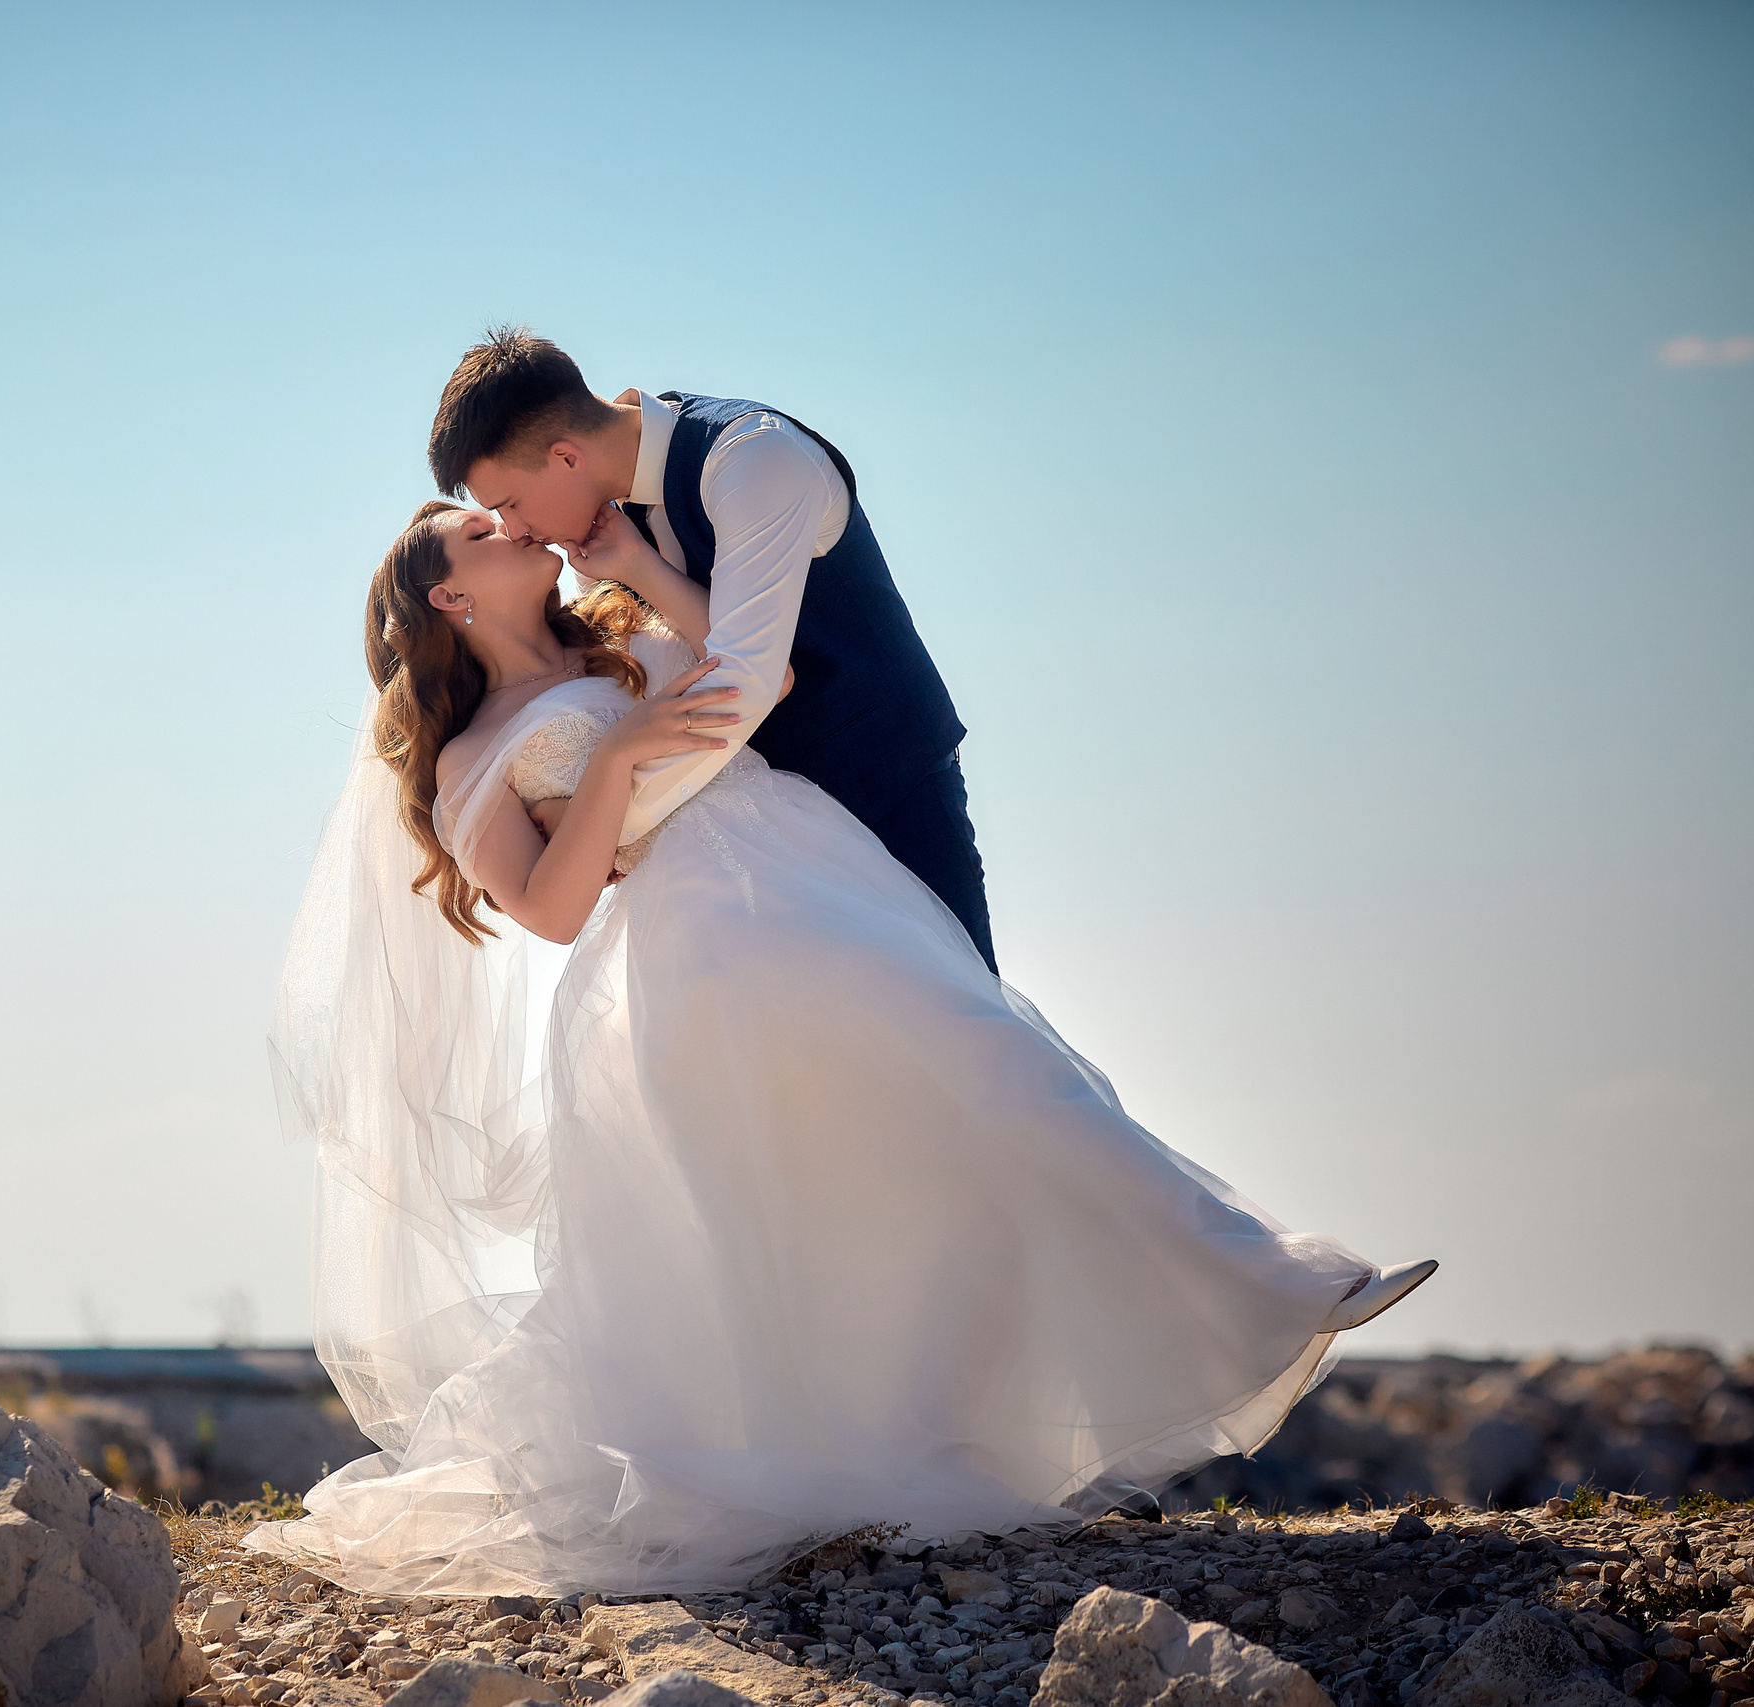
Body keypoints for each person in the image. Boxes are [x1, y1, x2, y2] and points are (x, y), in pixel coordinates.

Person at [248, 488, 1437, 1599]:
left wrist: (646, 570)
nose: (514, 527)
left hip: (820, 873)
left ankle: (1272, 1283)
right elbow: (553, 911)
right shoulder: (469, 755)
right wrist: (612, 761)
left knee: (998, 1079)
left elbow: (763, 675)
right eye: (481, 534)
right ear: (449, 599)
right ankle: (873, 1461)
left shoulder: (619, 621)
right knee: (792, 1210)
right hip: (692, 947)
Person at [426, 328, 998, 970]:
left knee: (958, 1019)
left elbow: (747, 681)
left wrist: (602, 829)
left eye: (509, 504)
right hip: (751, 872)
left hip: (886, 787)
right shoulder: (601, 531)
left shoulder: (754, 459)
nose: (517, 529)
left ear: (565, 457)